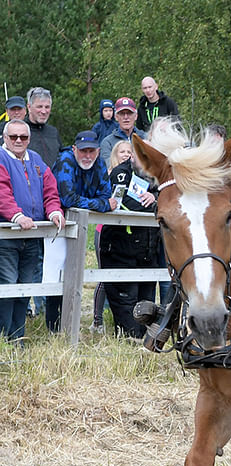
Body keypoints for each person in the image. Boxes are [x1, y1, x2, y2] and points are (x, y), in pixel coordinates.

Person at [0, 119, 65, 341]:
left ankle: (17, 337)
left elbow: (50, 191)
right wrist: (16, 215)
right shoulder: (0, 158)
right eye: (13, 137)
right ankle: (3, 336)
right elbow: (2, 193)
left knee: (25, 287)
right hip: (7, 235)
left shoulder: (36, 160)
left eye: (24, 137)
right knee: (7, 285)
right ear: (5, 138)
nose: (19, 141)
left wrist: (55, 211)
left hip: (33, 236)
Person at [50, 130, 116, 333]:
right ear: (74, 149)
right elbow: (67, 199)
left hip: (80, 225)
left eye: (92, 151)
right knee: (56, 275)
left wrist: (99, 203)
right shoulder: (65, 161)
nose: (87, 155)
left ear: (97, 151)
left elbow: (106, 192)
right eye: (83, 150)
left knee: (76, 273)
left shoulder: (99, 163)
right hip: (56, 223)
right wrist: (101, 204)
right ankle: (53, 327)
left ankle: (70, 324)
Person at [102, 139, 159, 337]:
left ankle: (144, 344)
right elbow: (122, 203)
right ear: (133, 155)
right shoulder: (120, 173)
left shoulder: (156, 175)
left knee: (147, 307)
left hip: (148, 250)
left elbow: (172, 197)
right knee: (128, 313)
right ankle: (129, 343)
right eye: (140, 154)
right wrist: (154, 204)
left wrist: (156, 198)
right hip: (121, 249)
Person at [99, 97, 146, 163]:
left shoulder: (145, 138)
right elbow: (108, 167)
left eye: (129, 113)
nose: (126, 117)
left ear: (136, 116)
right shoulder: (107, 142)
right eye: (122, 113)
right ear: (116, 117)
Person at [25, 87, 60, 171]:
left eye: (47, 107)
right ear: (29, 107)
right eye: (39, 107)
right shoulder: (19, 132)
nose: (44, 111)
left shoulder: (53, 132)